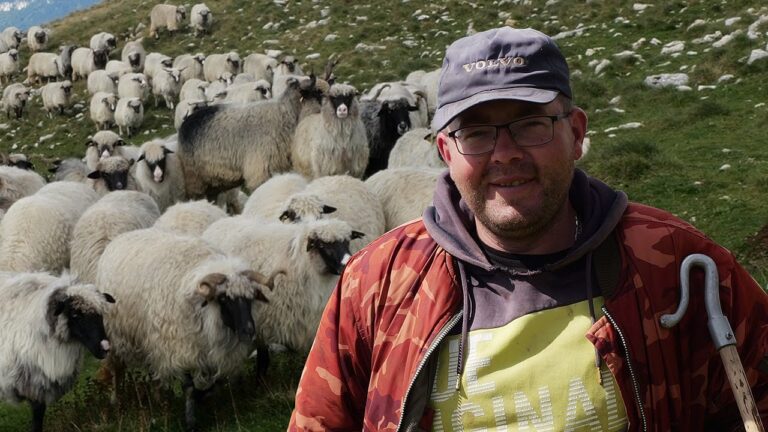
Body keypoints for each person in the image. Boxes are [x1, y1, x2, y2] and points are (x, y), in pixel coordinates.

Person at [288, 27, 768, 431]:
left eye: (531, 124)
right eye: (475, 133)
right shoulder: (380, 283)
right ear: (444, 152)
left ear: (576, 133)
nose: (505, 154)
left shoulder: (675, 265)